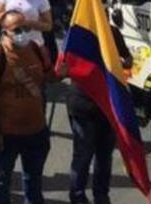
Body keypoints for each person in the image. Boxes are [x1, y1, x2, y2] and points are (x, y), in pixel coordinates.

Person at [0, 10, 54, 204]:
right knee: (0, 182)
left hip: (36, 131)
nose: (23, 32)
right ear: (5, 31)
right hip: (7, 135)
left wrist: (61, 72)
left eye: (25, 27)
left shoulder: (36, 49)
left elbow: (48, 77)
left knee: (34, 182)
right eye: (17, 29)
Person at [60, 20, 131, 204]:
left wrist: (119, 62)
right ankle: (77, 197)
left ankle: (101, 195)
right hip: (83, 107)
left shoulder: (113, 33)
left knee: (104, 156)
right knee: (82, 157)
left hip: (108, 107)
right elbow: (62, 67)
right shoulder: (77, 36)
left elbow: (128, 58)